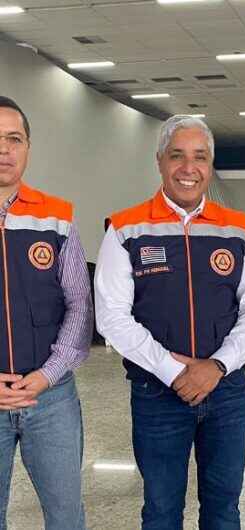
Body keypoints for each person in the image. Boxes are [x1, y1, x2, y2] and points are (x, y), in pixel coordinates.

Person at [94, 115, 245, 530]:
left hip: (227, 392)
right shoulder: (125, 229)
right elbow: (113, 317)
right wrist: (174, 371)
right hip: (156, 394)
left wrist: (216, 367)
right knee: (160, 510)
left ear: (210, 165)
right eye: (177, 156)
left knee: (224, 509)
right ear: (160, 161)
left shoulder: (237, 230)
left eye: (200, 157)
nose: (188, 168)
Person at [0, 96, 92, 529]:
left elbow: (79, 305)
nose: (4, 149)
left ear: (28, 148)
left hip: (51, 398)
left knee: (66, 517)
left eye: (14, 139)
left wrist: (47, 374)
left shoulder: (57, 218)